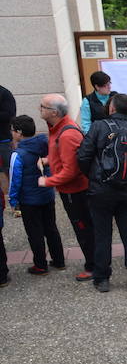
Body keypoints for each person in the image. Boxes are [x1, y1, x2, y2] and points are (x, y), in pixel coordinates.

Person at [76, 93, 127, 292]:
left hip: (101, 191)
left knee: (102, 235)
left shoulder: (99, 127)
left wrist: (93, 177)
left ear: (112, 108)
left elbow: (83, 156)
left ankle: (102, 278)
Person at [37, 93, 94, 281]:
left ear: (54, 112)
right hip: (71, 191)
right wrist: (48, 161)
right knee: (83, 228)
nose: (40, 109)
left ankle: (93, 266)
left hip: (76, 192)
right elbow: (63, 156)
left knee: (84, 229)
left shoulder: (67, 133)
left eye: (43, 107)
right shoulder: (57, 128)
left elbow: (71, 170)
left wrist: (48, 181)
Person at [8, 115, 65, 274]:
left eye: (12, 130)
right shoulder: (45, 145)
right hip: (47, 194)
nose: (11, 133)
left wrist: (13, 201)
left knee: (35, 233)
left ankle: (40, 265)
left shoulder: (18, 154)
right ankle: (59, 260)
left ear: (19, 132)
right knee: (51, 228)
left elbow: (15, 180)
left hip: (29, 200)